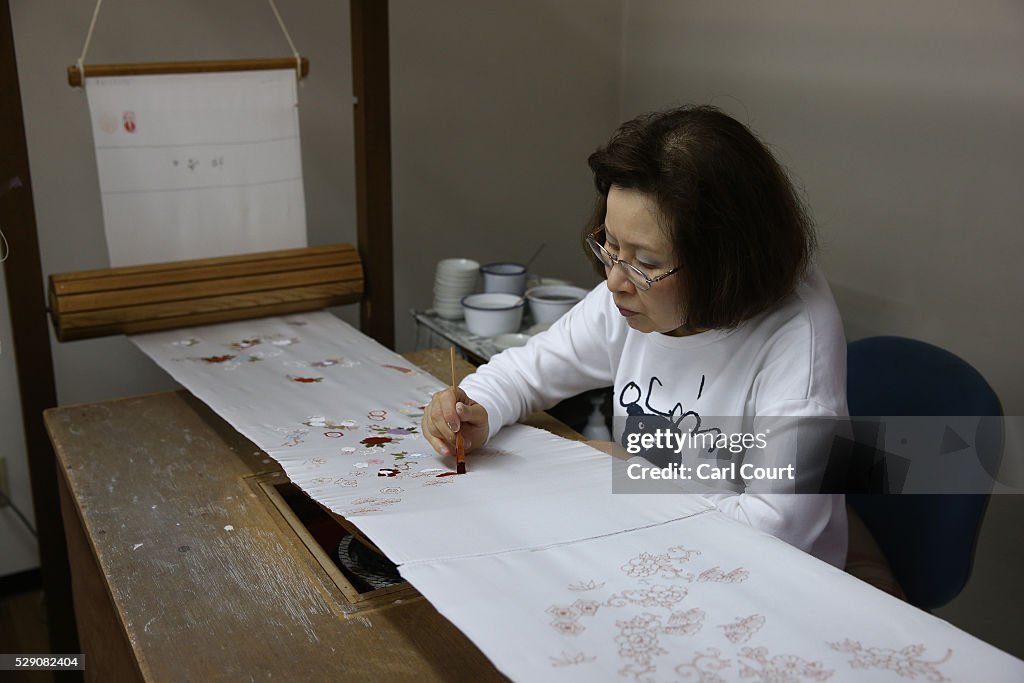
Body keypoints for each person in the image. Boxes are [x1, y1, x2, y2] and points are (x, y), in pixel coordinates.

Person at [422, 105, 848, 568]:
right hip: (651, 538)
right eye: (609, 245)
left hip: (767, 582)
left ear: (724, 262)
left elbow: (777, 533)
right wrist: (475, 407)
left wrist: (628, 471)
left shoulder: (794, 343)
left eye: (645, 261)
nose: (613, 282)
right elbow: (525, 370)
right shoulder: (634, 293)